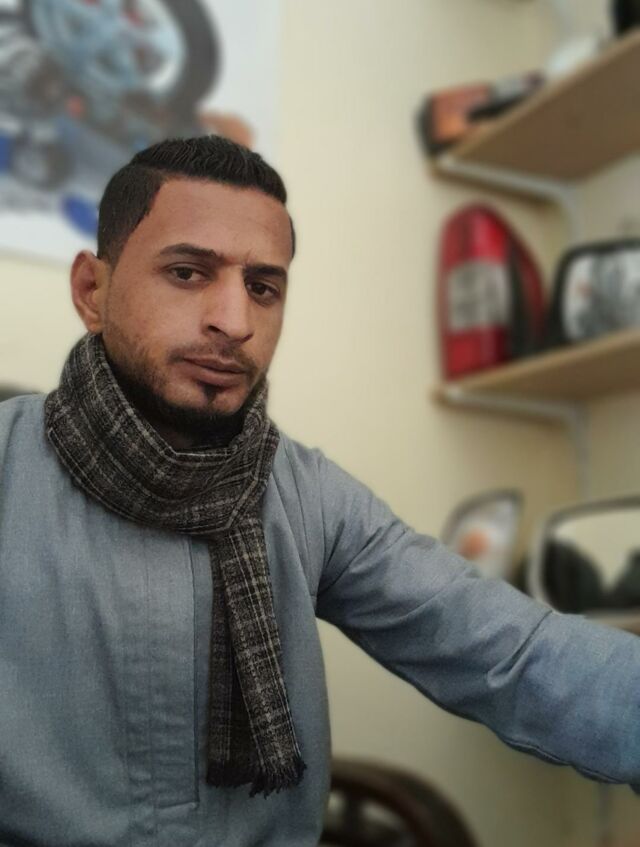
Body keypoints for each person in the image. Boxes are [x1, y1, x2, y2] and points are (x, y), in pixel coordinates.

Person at [0, 135, 639, 847]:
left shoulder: (310, 496)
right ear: (92, 291)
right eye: (187, 272)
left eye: (262, 288)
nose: (234, 322)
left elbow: (512, 651)